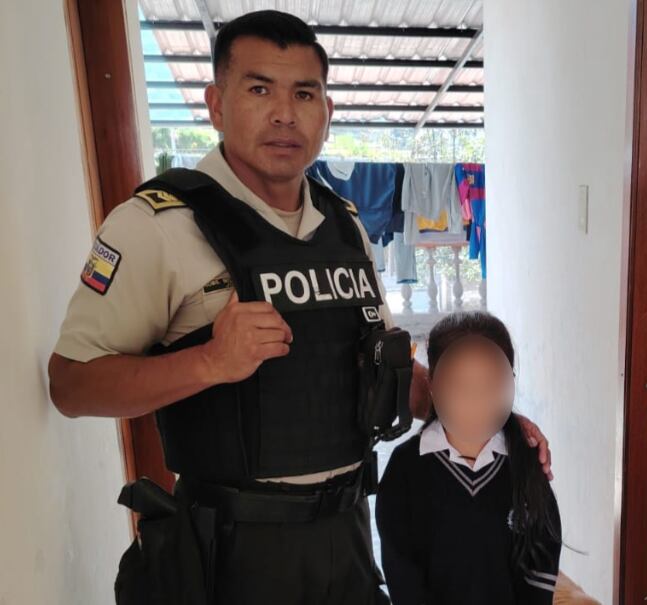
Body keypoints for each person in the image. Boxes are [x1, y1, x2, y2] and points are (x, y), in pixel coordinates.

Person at [47, 10, 551, 604]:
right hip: (231, 553)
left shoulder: (345, 225)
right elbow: (71, 385)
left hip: (349, 538)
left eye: (304, 94)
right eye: (259, 89)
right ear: (216, 104)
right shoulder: (160, 225)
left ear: (327, 113)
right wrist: (208, 362)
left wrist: (490, 421)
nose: (285, 113)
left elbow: (385, 371)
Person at [376, 311, 561, 605]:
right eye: (461, 387)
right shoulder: (406, 467)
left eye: (489, 386)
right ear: (433, 384)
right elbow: (402, 570)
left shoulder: (524, 460)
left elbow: (542, 553)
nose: (475, 401)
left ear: (508, 383)